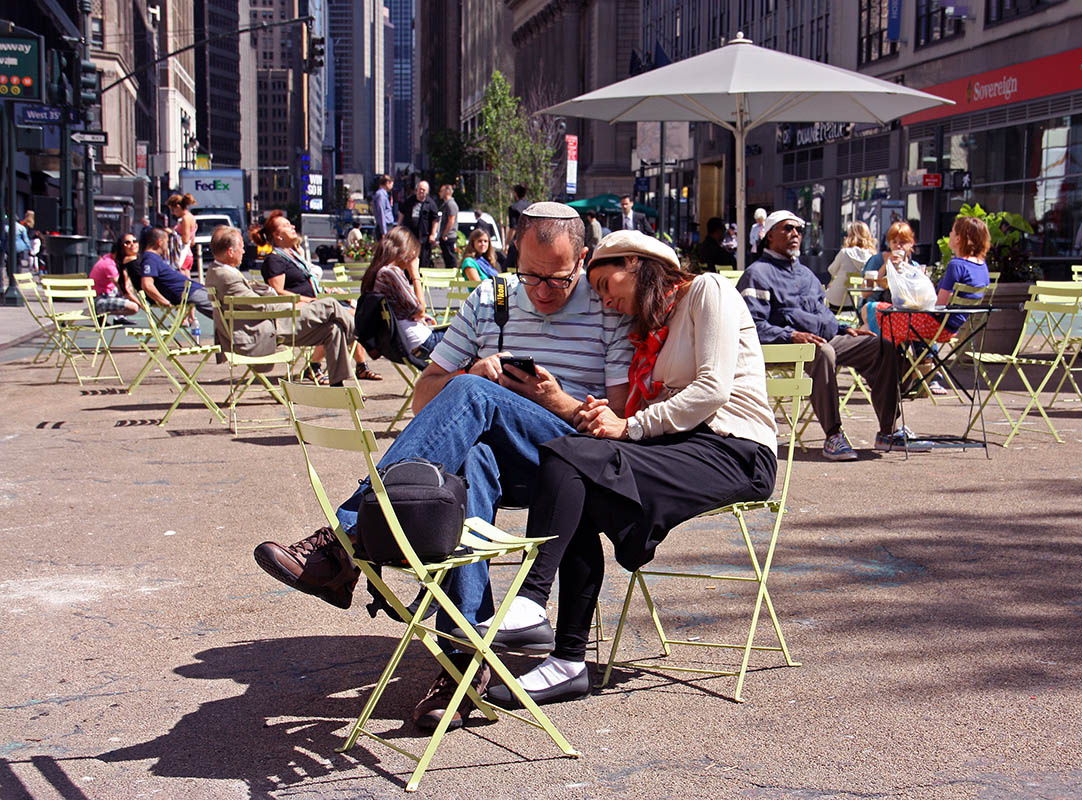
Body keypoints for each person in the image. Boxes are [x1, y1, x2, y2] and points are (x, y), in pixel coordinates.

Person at [252, 201, 633, 731]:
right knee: (471, 458)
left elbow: (618, 417)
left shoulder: (608, 309)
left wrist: (555, 400)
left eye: (558, 278)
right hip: (504, 459)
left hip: (571, 456)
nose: (542, 290)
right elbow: (423, 397)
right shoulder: (491, 299)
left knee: (472, 394)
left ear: (583, 259)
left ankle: (345, 539)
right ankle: (463, 665)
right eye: (530, 274)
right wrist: (473, 371)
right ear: (513, 256)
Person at [480, 230, 778, 707]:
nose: (605, 300)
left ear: (637, 264)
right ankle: (567, 661)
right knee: (567, 464)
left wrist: (630, 427)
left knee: (572, 459)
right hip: (684, 447)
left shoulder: (708, 291)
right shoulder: (654, 328)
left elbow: (713, 390)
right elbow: (650, 408)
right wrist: (602, 416)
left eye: (604, 285)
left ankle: (532, 600)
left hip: (735, 449)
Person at [737, 211, 929, 462]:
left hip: (821, 340)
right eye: (787, 228)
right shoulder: (757, 273)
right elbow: (752, 325)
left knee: (879, 345)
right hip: (781, 346)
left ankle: (888, 431)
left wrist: (843, 328)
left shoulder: (805, 274)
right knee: (824, 352)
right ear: (769, 235)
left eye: (799, 229)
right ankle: (833, 435)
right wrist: (791, 335)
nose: (795, 233)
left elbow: (821, 315)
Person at [205, 225, 357, 386]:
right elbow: (261, 306)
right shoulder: (227, 276)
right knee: (330, 305)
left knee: (333, 329)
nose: (243, 252)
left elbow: (254, 303)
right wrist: (294, 306)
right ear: (230, 252)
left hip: (260, 326)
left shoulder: (216, 271)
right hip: (259, 332)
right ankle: (366, 338)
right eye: (241, 248)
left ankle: (338, 386)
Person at [250, 212, 382, 383]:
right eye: (287, 225)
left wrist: (328, 290)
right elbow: (278, 292)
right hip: (301, 311)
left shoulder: (293, 255)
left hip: (316, 304)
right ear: (277, 235)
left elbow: (310, 282)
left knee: (354, 312)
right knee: (342, 320)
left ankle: (360, 365)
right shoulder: (274, 260)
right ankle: (317, 366)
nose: (293, 227)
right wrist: (308, 300)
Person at [861, 216, 991, 343]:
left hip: (933, 326)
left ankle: (861, 358)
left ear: (958, 238)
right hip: (953, 329)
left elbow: (939, 307)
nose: (949, 234)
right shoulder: (982, 267)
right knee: (879, 321)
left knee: (871, 309)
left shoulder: (957, 265)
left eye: (952, 231)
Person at [362, 227, 446, 367]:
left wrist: (418, 317)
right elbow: (420, 310)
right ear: (406, 250)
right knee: (469, 339)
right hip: (418, 343)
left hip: (394, 344)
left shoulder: (375, 273)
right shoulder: (391, 272)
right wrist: (415, 274)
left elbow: (408, 311)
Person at [138, 227, 214, 317]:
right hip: (186, 293)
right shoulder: (150, 259)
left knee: (221, 300)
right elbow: (147, 284)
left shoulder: (154, 258)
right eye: (166, 242)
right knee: (218, 307)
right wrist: (164, 301)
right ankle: (231, 327)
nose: (167, 245)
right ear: (159, 242)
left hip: (192, 289)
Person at [825, 221, 877, 311]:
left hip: (837, 300)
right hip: (859, 302)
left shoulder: (845, 253)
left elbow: (832, 270)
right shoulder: (872, 257)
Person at [89, 235, 141, 322]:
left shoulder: (112, 259)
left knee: (129, 286)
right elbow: (124, 290)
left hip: (107, 293)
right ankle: (98, 314)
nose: (131, 246)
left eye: (135, 241)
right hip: (100, 299)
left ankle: (119, 317)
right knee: (134, 307)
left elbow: (126, 284)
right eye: (127, 244)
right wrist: (142, 306)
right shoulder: (109, 265)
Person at [399, 180, 440, 270]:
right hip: (410, 235)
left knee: (423, 260)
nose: (421, 191)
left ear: (427, 192)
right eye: (420, 189)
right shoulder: (409, 201)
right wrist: (399, 227)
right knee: (407, 257)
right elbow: (402, 213)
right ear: (416, 190)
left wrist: (432, 234)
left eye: (424, 190)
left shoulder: (431, 204)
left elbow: (435, 219)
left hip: (424, 237)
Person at [167, 193, 198, 274]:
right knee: (187, 282)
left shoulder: (185, 219)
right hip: (188, 253)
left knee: (182, 281)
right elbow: (192, 241)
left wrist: (172, 232)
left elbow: (185, 239)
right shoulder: (191, 217)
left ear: (178, 206)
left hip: (182, 255)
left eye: (172, 210)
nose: (173, 213)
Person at [504, 184, 532, 269]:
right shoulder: (531, 206)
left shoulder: (513, 208)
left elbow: (513, 228)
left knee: (507, 267)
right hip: (531, 241)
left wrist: (507, 243)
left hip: (518, 242)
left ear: (515, 193)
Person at [437, 184, 459, 272]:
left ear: (447, 192)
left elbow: (451, 220)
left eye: (441, 191)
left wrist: (445, 234)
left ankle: (452, 275)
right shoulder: (446, 204)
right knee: (446, 258)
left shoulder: (451, 204)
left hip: (449, 236)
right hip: (445, 235)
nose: (439, 193)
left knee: (450, 258)